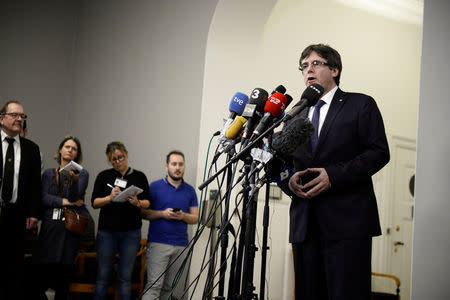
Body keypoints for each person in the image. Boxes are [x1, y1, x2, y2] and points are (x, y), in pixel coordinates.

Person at [284, 44, 390, 300]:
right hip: (305, 224)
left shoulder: (360, 104)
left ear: (335, 69)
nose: (308, 69)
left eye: (315, 63)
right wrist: (289, 183)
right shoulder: (294, 115)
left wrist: (333, 175)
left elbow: (378, 152)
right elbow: (282, 164)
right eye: (304, 66)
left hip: (348, 224)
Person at [32, 135, 90, 299]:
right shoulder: (49, 173)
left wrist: (74, 181)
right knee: (41, 274)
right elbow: (43, 198)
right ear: (60, 149)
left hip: (69, 229)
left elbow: (75, 197)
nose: (70, 150)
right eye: (67, 147)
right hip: (50, 228)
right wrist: (61, 201)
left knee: (63, 278)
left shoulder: (82, 173)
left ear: (77, 154)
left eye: (74, 149)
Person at [91, 141, 151, 300]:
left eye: (120, 157)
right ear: (109, 161)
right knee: (103, 276)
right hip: (107, 233)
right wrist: (109, 197)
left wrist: (137, 202)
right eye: (114, 160)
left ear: (126, 154)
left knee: (125, 278)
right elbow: (94, 202)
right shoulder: (104, 176)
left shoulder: (139, 176)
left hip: (131, 233)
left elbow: (148, 203)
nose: (118, 162)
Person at [142, 150, 199, 300]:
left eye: (180, 164)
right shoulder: (154, 187)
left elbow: (195, 218)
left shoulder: (190, 191)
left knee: (170, 288)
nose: (177, 167)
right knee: (154, 285)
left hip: (181, 245)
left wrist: (182, 216)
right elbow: (144, 213)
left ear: (184, 166)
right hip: (158, 243)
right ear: (167, 166)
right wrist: (162, 214)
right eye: (174, 164)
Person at [0, 100, 41, 299]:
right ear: (1, 119)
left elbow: (35, 185)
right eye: (15, 115)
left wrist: (33, 213)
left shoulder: (31, 149)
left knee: (13, 267)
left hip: (16, 215)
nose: (19, 119)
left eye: (22, 116)